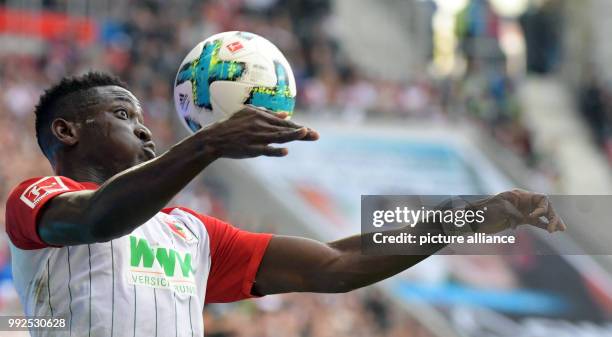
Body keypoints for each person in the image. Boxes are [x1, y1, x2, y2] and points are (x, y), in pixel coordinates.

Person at [5, 72, 566, 337]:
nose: (146, 132)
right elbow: (102, 218)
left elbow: (337, 264)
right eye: (125, 117)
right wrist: (210, 141)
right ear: (67, 131)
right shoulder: (39, 199)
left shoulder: (190, 233)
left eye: (144, 119)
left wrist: (471, 216)